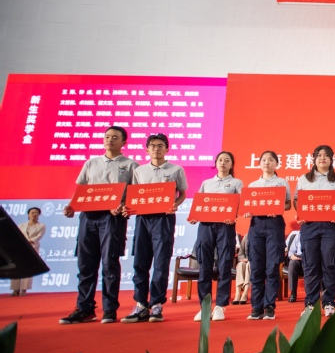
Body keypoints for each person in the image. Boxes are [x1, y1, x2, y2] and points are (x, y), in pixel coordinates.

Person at [59, 126, 138, 324]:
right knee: (85, 264)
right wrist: (72, 206)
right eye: (107, 137)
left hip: (112, 218)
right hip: (88, 217)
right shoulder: (91, 163)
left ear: (124, 142)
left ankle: (109, 309)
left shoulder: (130, 165)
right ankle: (85, 308)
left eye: (115, 137)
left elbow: (135, 193)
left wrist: (122, 204)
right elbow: (82, 189)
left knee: (110, 264)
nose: (110, 140)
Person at [122, 133, 187, 323]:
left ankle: (157, 304)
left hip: (164, 219)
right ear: (147, 149)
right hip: (143, 219)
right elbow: (134, 194)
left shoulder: (176, 169)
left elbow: (182, 194)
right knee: (140, 262)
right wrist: (128, 207)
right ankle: (141, 304)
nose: (156, 149)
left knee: (161, 261)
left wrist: (175, 205)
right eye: (152, 146)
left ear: (167, 149)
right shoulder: (139, 171)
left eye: (160, 146)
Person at [294, 145, 335, 318]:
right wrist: (301, 213)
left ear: (332, 159)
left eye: (326, 155)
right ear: (314, 158)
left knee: (329, 264)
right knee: (310, 265)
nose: (323, 158)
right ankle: (310, 304)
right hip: (309, 226)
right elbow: (296, 199)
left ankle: (329, 303)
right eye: (319, 155)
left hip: (330, 226)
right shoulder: (304, 179)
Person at [190, 151, 243, 321]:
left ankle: (220, 306)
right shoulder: (206, 183)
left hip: (225, 226)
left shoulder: (236, 183)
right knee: (204, 266)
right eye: (220, 160)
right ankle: (204, 307)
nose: (223, 162)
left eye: (227, 160)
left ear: (231, 164)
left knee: (224, 265)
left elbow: (241, 204)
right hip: (206, 226)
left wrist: (233, 215)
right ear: (215, 163)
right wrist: (194, 216)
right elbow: (199, 204)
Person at [242, 150, 292, 320]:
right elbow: (247, 206)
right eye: (263, 160)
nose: (267, 163)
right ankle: (256, 307)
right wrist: (248, 211)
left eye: (270, 160)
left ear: (276, 164)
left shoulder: (282, 182)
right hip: (256, 226)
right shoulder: (253, 185)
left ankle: (269, 306)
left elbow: (288, 205)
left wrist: (277, 209)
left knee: (271, 268)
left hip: (274, 225)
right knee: (256, 268)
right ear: (259, 164)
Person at [13, 207, 46, 296]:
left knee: (28, 268)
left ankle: (23, 289)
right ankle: (15, 289)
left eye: (36, 213)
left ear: (39, 215)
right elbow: (17, 235)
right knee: (17, 268)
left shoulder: (41, 226)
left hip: (33, 247)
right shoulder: (21, 225)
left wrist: (29, 241)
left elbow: (39, 236)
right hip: (20, 247)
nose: (34, 214)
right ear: (28, 214)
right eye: (32, 213)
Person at [286, 230, 303, 302]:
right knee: (292, 263)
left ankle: (313, 294)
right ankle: (293, 293)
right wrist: (293, 257)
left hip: (311, 259)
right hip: (298, 258)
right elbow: (291, 252)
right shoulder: (297, 235)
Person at [233, 234, 250, 304]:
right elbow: (240, 253)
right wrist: (243, 259)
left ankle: (245, 293)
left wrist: (250, 259)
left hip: (255, 261)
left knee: (249, 265)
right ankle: (238, 293)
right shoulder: (246, 237)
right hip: (245, 260)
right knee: (240, 265)